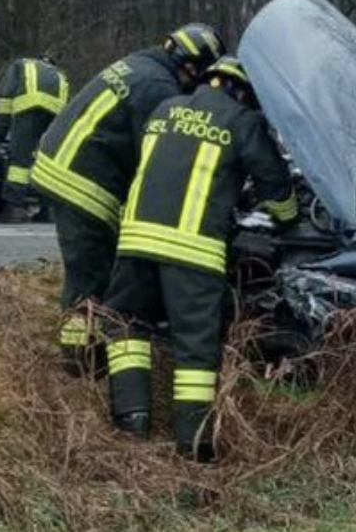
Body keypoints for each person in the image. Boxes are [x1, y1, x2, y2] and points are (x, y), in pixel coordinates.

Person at [101, 56, 299, 462]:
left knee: (126, 325)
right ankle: (193, 445)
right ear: (244, 93)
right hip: (192, 252)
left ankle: (131, 422)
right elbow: (275, 186)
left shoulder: (164, 109)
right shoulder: (242, 121)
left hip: (135, 241)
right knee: (195, 348)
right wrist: (289, 215)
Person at [32, 24, 226, 375]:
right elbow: (157, 153)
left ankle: (87, 354)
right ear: (191, 67)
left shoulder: (142, 64)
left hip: (64, 165)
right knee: (91, 277)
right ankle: (81, 366)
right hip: (82, 183)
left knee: (93, 268)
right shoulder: (159, 88)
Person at [0, 52, 69, 220]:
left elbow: (5, 96)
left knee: (20, 159)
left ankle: (15, 208)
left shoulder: (21, 64)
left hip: (30, 107)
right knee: (44, 161)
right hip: (56, 115)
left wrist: (0, 129)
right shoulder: (59, 74)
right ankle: (47, 211)